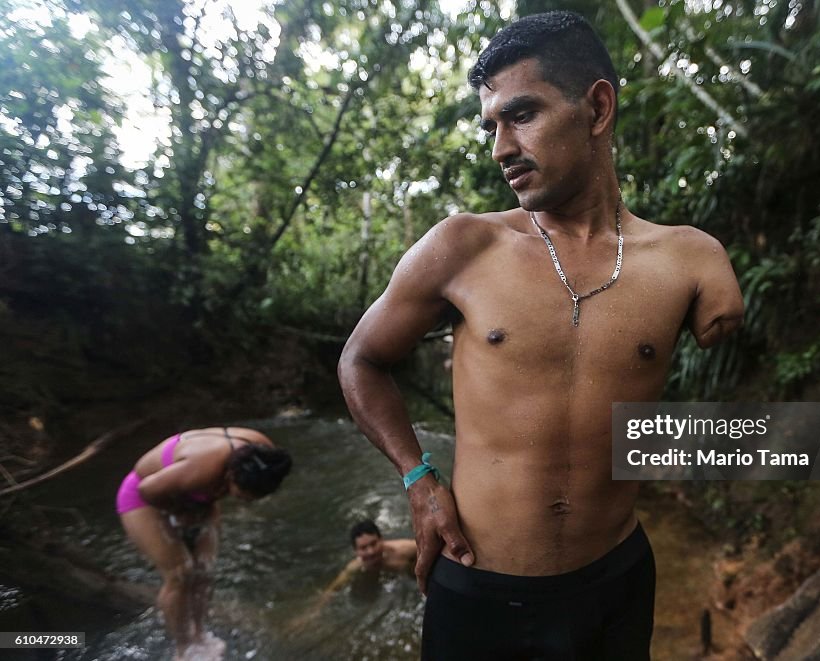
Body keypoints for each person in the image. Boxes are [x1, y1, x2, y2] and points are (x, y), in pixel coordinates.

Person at [339, 10, 743, 660]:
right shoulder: (463, 247)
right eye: (491, 125)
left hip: (615, 578)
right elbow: (360, 359)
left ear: (598, 108)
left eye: (521, 115)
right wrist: (419, 479)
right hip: (478, 585)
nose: (500, 147)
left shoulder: (686, 260)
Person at [116, 427, 291, 660]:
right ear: (230, 476)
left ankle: (200, 635)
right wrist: (178, 513)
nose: (245, 501)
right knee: (180, 573)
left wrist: (199, 509)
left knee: (205, 570)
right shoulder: (200, 470)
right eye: (241, 494)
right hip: (145, 498)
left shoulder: (265, 455)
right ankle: (184, 647)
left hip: (198, 499)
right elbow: (146, 489)